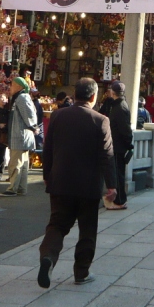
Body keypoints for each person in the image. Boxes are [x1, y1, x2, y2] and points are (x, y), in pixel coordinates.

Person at [37, 77, 117, 288]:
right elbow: (107, 156)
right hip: (88, 185)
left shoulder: (58, 116)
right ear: (93, 96)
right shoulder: (101, 120)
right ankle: (81, 272)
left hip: (60, 181)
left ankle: (48, 257)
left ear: (75, 94)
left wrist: (47, 175)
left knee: (57, 225)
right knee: (87, 229)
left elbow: (48, 148)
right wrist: (112, 185)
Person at [2, 77, 38, 197]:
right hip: (22, 135)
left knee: (15, 163)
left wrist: (33, 126)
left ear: (19, 86)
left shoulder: (22, 97)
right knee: (22, 164)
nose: (10, 87)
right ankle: (21, 188)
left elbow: (29, 114)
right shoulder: (21, 97)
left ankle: (13, 188)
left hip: (20, 136)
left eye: (12, 84)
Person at [103, 80, 133, 209]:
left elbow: (124, 129)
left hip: (118, 145)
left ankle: (119, 200)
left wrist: (128, 144)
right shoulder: (120, 104)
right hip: (118, 144)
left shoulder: (119, 107)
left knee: (118, 174)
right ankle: (118, 198)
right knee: (117, 172)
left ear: (113, 92)